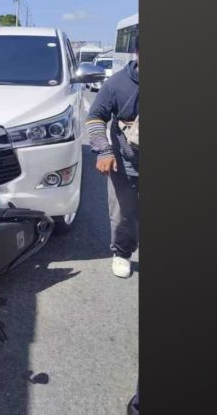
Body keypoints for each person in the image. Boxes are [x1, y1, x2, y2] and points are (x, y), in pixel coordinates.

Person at [86, 41, 139, 278]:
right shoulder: (117, 84)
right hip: (126, 163)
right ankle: (122, 253)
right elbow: (96, 117)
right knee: (123, 213)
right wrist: (104, 150)